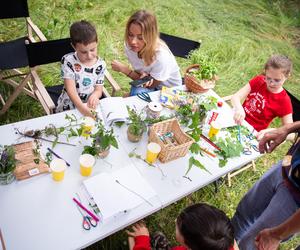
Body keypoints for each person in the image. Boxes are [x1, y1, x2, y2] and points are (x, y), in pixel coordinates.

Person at [231, 121, 300, 250]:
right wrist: (287, 128)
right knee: (243, 214)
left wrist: (276, 234)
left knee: (253, 243)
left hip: (296, 200)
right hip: (287, 166)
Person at [111, 10, 182, 96]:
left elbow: (149, 85)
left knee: (135, 92)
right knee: (132, 93)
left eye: (140, 37)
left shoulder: (161, 58)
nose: (133, 41)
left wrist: (124, 69)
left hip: (170, 92)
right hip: (151, 85)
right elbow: (141, 77)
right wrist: (143, 76)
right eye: (130, 34)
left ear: (150, 37)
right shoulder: (130, 46)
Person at [231, 55, 293, 140]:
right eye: (268, 78)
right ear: (265, 72)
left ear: (287, 76)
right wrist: (239, 108)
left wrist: (275, 131)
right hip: (236, 119)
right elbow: (236, 97)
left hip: (252, 134)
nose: (271, 83)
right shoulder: (259, 80)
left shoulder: (284, 100)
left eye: (277, 80)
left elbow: (291, 134)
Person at [127, 203, 237, 250]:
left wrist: (141, 240)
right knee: (158, 237)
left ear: (189, 244)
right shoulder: (223, 243)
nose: (175, 221)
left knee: (142, 239)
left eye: (178, 225)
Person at [56, 20, 106, 117]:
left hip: (90, 106)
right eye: (83, 52)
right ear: (74, 47)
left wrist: (95, 96)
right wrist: (83, 110)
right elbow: (71, 91)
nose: (89, 55)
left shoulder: (100, 65)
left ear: (97, 42)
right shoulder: (68, 61)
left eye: (92, 49)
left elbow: (98, 89)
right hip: (69, 107)